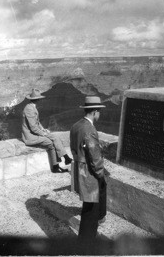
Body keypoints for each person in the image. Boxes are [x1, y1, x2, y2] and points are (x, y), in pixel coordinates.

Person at [69, 96, 107, 241]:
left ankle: (96, 223)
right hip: (88, 172)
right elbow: (95, 156)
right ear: (95, 111)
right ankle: (86, 241)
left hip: (78, 167)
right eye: (99, 112)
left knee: (90, 204)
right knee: (91, 207)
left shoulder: (76, 125)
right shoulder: (89, 129)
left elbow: (74, 148)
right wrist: (100, 174)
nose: (100, 114)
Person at [21, 88, 73, 173]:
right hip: (30, 137)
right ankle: (63, 160)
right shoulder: (29, 109)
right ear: (37, 99)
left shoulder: (31, 107)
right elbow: (33, 127)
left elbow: (37, 123)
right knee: (52, 141)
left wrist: (43, 129)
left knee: (53, 139)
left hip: (34, 133)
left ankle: (60, 163)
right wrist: (43, 134)